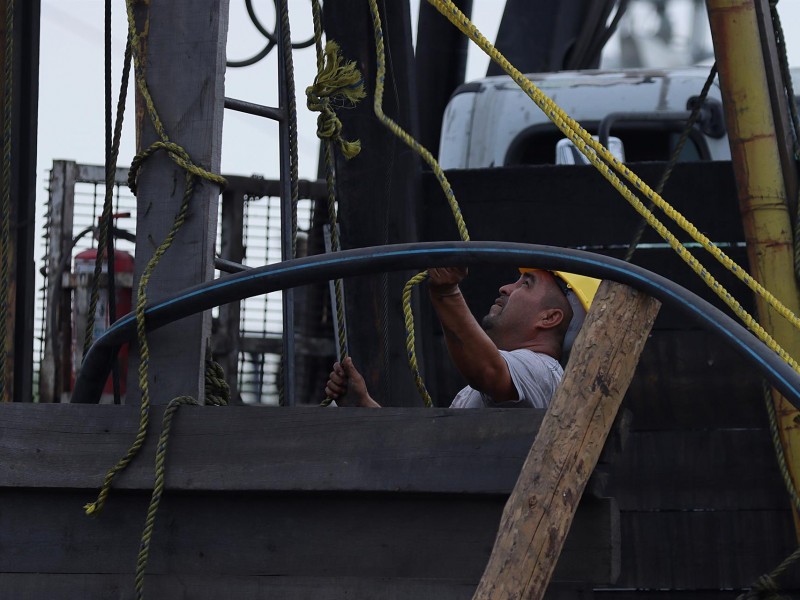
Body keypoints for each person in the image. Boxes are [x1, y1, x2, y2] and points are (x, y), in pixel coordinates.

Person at [324, 266, 575, 408]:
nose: (506, 288)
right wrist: (362, 405)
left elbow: (489, 371)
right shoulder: (483, 389)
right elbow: (426, 457)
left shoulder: (544, 371)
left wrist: (446, 292)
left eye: (525, 284)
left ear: (549, 318)